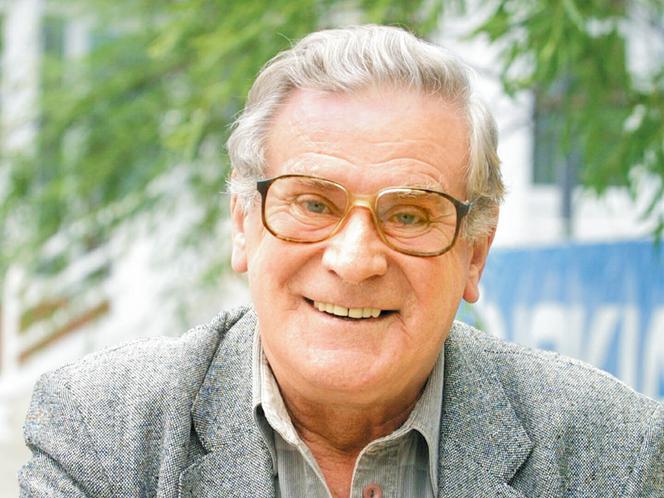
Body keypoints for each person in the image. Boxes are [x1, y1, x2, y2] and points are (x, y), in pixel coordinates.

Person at [19, 25, 663, 498]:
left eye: (409, 215)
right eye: (312, 204)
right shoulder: (104, 430)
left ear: (475, 255)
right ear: (243, 225)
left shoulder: (610, 453)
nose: (355, 260)